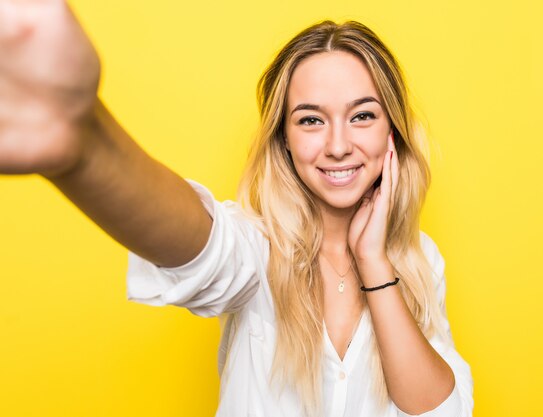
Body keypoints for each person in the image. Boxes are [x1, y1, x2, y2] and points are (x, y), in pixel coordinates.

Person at [0, 1, 473, 416]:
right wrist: (84, 145)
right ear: (284, 140)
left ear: (391, 133)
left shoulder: (419, 260)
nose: (337, 145)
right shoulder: (259, 246)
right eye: (310, 119)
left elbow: (439, 411)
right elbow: (203, 248)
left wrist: (373, 262)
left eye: (362, 115)